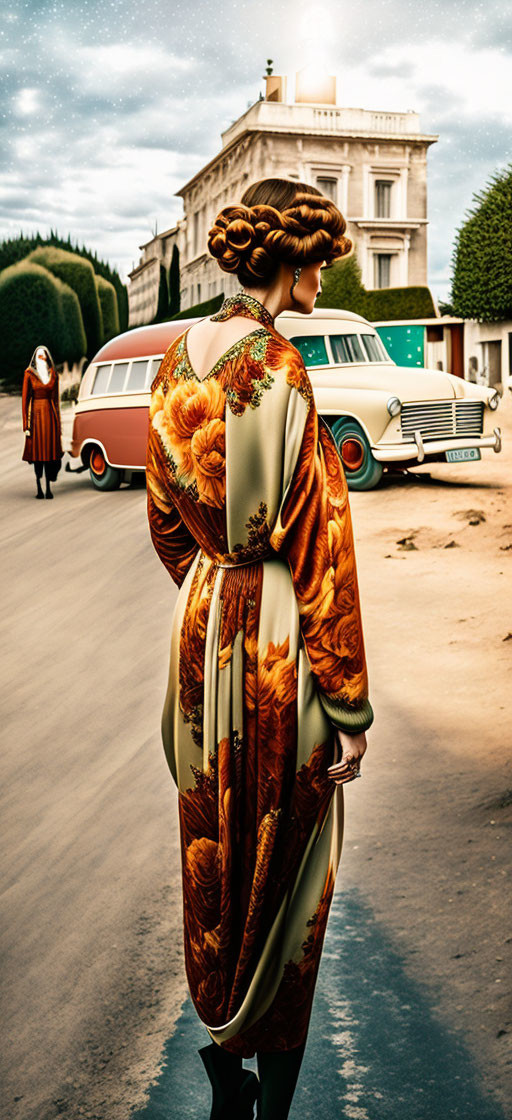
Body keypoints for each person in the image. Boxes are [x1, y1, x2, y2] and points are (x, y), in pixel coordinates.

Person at [146, 178, 374, 1120]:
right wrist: (350, 705)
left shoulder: (174, 360)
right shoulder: (279, 367)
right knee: (288, 859)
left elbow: (165, 524)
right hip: (276, 633)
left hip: (203, 625)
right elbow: (322, 552)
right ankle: (268, 1097)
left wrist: (217, 591)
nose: (325, 270)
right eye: (320, 254)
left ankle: (222, 1065)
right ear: (292, 257)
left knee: (215, 843)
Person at [22, 345, 63, 499]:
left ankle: (48, 487)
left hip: (50, 416)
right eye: (39, 356)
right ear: (35, 358)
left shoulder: (53, 374)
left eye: (44, 356)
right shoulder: (29, 374)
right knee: (38, 455)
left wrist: (58, 422)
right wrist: (26, 424)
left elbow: (56, 400)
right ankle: (39, 486)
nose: (42, 359)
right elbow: (25, 401)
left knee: (49, 454)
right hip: (36, 417)